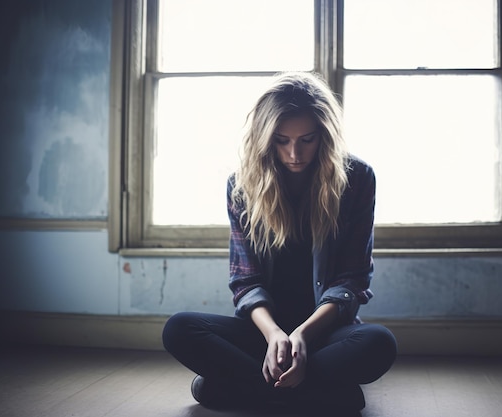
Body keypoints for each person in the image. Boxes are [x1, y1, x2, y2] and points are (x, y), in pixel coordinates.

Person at [162, 71, 397, 415]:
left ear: (325, 136)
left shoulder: (357, 179)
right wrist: (275, 335)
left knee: (379, 344)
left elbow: (352, 280)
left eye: (307, 139)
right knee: (179, 329)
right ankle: (318, 393)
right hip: (261, 334)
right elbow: (245, 281)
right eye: (281, 140)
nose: (294, 153)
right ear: (265, 138)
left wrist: (301, 336)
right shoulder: (242, 185)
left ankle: (240, 387)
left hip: (322, 335)